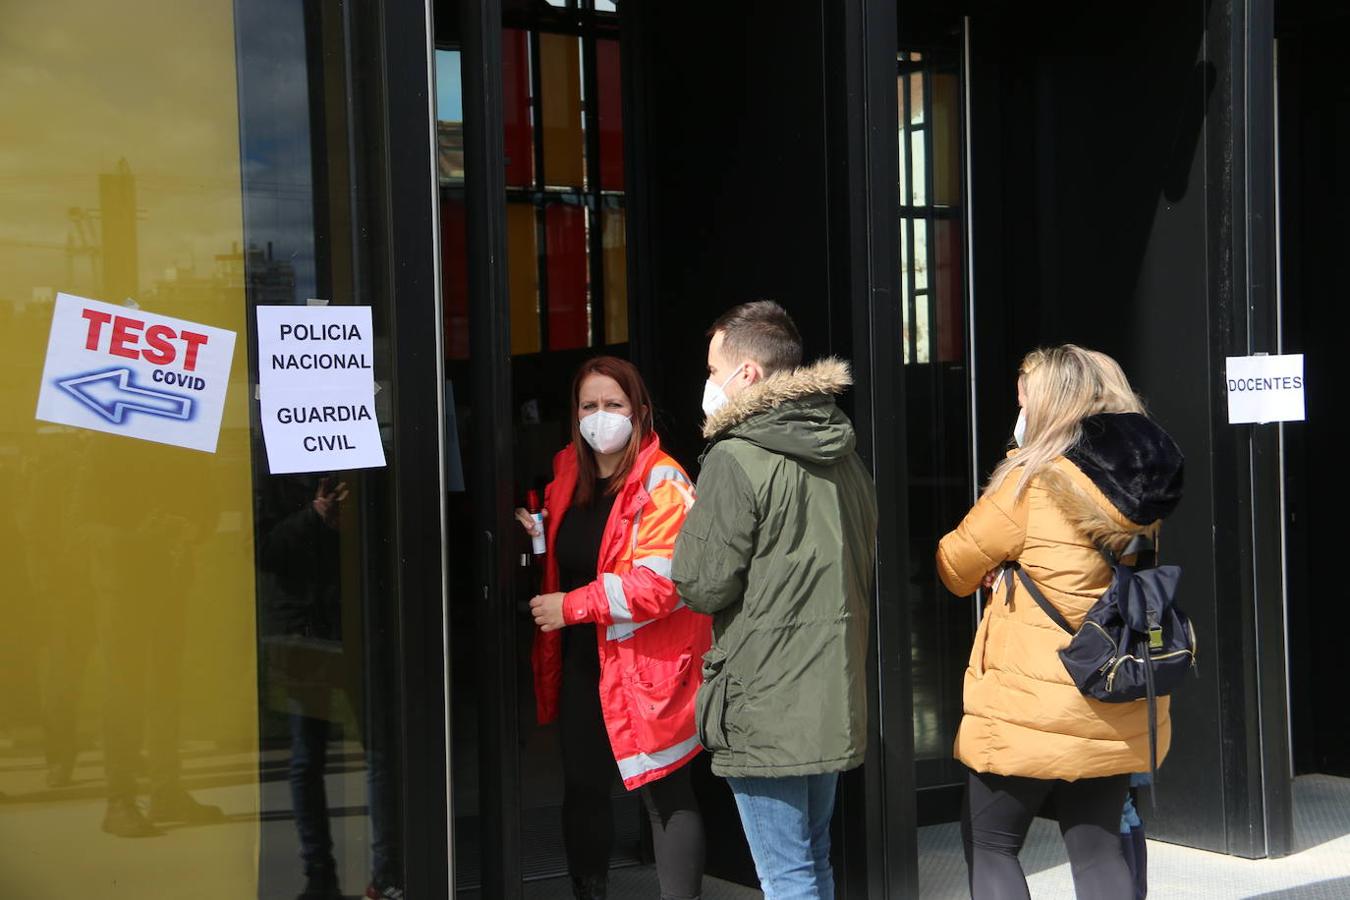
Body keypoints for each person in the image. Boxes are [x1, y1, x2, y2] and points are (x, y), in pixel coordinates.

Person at [935, 345, 1184, 900]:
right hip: (1111, 690)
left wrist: (998, 564)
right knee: (1096, 851)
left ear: (1045, 404)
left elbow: (954, 564)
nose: (1017, 411)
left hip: (1032, 701)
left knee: (991, 843)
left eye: (1023, 399)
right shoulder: (1137, 492)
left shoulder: (1030, 482)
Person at [671, 301, 878, 900]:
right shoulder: (843, 451)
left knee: (786, 876)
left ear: (748, 376)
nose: (708, 383)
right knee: (811, 862)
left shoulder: (736, 458)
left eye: (714, 370)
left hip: (765, 699)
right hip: (829, 689)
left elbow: (702, 583)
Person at [516, 356, 710, 900]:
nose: (600, 416)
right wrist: (536, 538)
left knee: (665, 790)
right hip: (582, 661)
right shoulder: (565, 475)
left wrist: (569, 607)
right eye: (589, 406)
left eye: (614, 405)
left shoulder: (664, 482)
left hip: (649, 665)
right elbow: (567, 560)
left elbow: (659, 586)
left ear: (640, 412)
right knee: (581, 788)